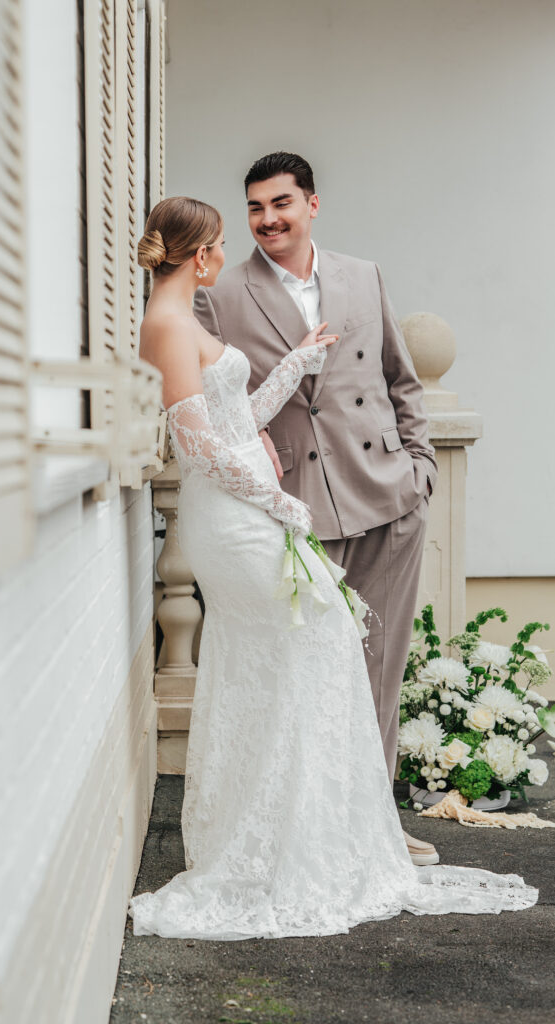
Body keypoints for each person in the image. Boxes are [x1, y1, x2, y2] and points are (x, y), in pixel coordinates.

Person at [129, 195, 536, 941]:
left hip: (251, 508)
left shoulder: (184, 316)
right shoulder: (166, 323)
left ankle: (302, 835)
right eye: (219, 243)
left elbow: (238, 420)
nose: (226, 255)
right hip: (233, 518)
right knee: (309, 642)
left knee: (301, 657)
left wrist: (294, 363)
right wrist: (279, 504)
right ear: (198, 256)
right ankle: (274, 844)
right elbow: (197, 447)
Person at [194, 151, 437, 866]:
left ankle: (378, 829)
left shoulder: (362, 275)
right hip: (293, 512)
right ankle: (313, 834)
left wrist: (418, 468)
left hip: (386, 496)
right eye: (254, 208)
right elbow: (222, 407)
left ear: (311, 204)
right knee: (307, 675)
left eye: (280, 203)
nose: (267, 219)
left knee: (377, 667)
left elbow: (401, 378)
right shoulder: (223, 293)